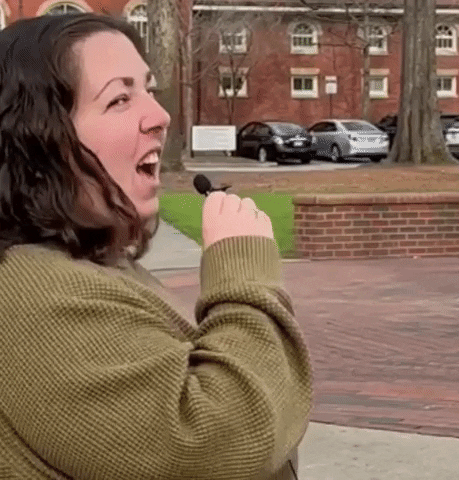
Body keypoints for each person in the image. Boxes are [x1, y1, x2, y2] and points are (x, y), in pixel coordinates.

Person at [0, 12, 312, 480]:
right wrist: (245, 279)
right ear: (39, 141)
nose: (161, 116)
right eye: (119, 99)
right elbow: (220, 444)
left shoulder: (88, 264)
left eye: (148, 89)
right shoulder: (34, 295)